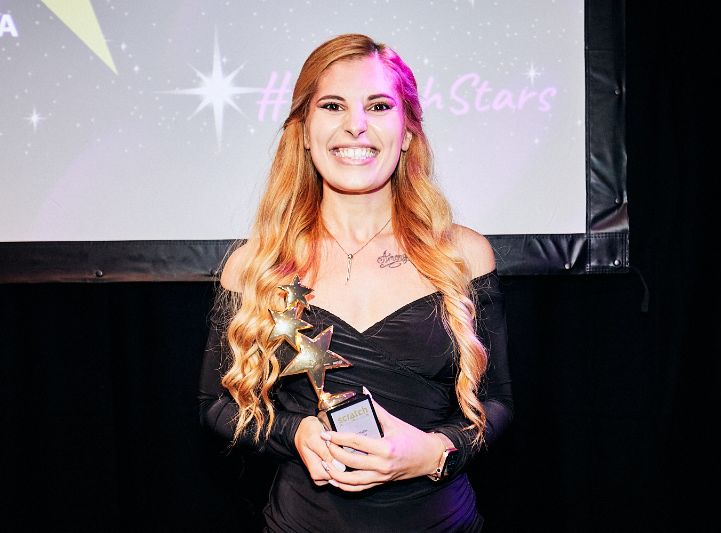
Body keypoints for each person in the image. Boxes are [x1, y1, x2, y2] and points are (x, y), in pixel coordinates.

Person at [199, 33, 513, 532]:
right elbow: (216, 404)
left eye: (379, 106)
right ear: (304, 131)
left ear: (407, 132)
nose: (356, 125)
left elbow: (497, 403)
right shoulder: (256, 265)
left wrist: (435, 452)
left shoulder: (464, 254)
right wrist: (294, 432)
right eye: (332, 105)